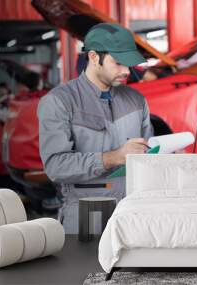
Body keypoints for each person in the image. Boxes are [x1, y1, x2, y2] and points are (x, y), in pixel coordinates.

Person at [37, 23, 154, 234]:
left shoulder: (136, 100)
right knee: (84, 267)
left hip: (133, 216)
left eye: (129, 64)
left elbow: (148, 155)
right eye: (118, 63)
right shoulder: (59, 102)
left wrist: (166, 157)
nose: (127, 71)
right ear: (93, 57)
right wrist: (112, 157)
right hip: (86, 218)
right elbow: (55, 166)